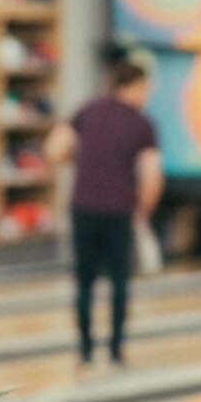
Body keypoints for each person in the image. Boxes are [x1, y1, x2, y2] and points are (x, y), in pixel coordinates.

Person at [45, 57, 162, 366]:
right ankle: (115, 349)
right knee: (120, 283)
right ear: (134, 86)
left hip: (82, 207)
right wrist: (141, 212)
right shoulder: (142, 123)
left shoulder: (87, 110)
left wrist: (83, 162)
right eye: (146, 87)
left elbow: (54, 149)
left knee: (84, 282)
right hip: (119, 211)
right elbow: (152, 177)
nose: (148, 94)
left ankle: (84, 350)